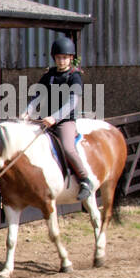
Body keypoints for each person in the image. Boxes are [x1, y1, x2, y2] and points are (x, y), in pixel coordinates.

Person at [23, 34, 94, 201]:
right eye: (58, 58)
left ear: (70, 58)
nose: (61, 61)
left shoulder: (74, 77)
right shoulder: (49, 75)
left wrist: (55, 118)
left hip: (64, 121)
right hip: (44, 120)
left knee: (68, 147)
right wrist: (27, 112)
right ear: (54, 58)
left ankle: (85, 180)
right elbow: (37, 96)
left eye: (65, 58)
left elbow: (72, 102)